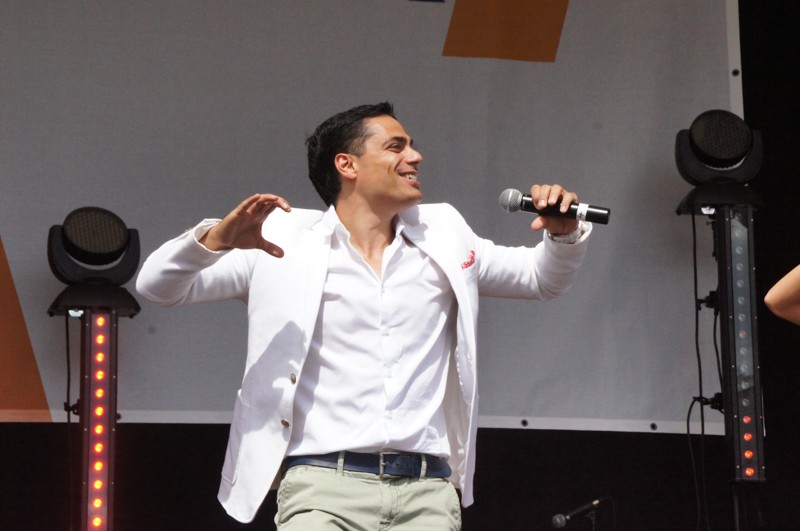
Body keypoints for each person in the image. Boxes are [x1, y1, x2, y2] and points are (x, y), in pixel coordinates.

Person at [136, 102, 592, 530]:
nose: (415, 157)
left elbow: (541, 279)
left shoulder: (444, 232)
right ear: (347, 165)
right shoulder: (282, 239)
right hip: (322, 485)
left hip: (427, 491)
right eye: (396, 146)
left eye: (411, 146)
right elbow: (157, 288)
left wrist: (563, 233)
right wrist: (213, 240)